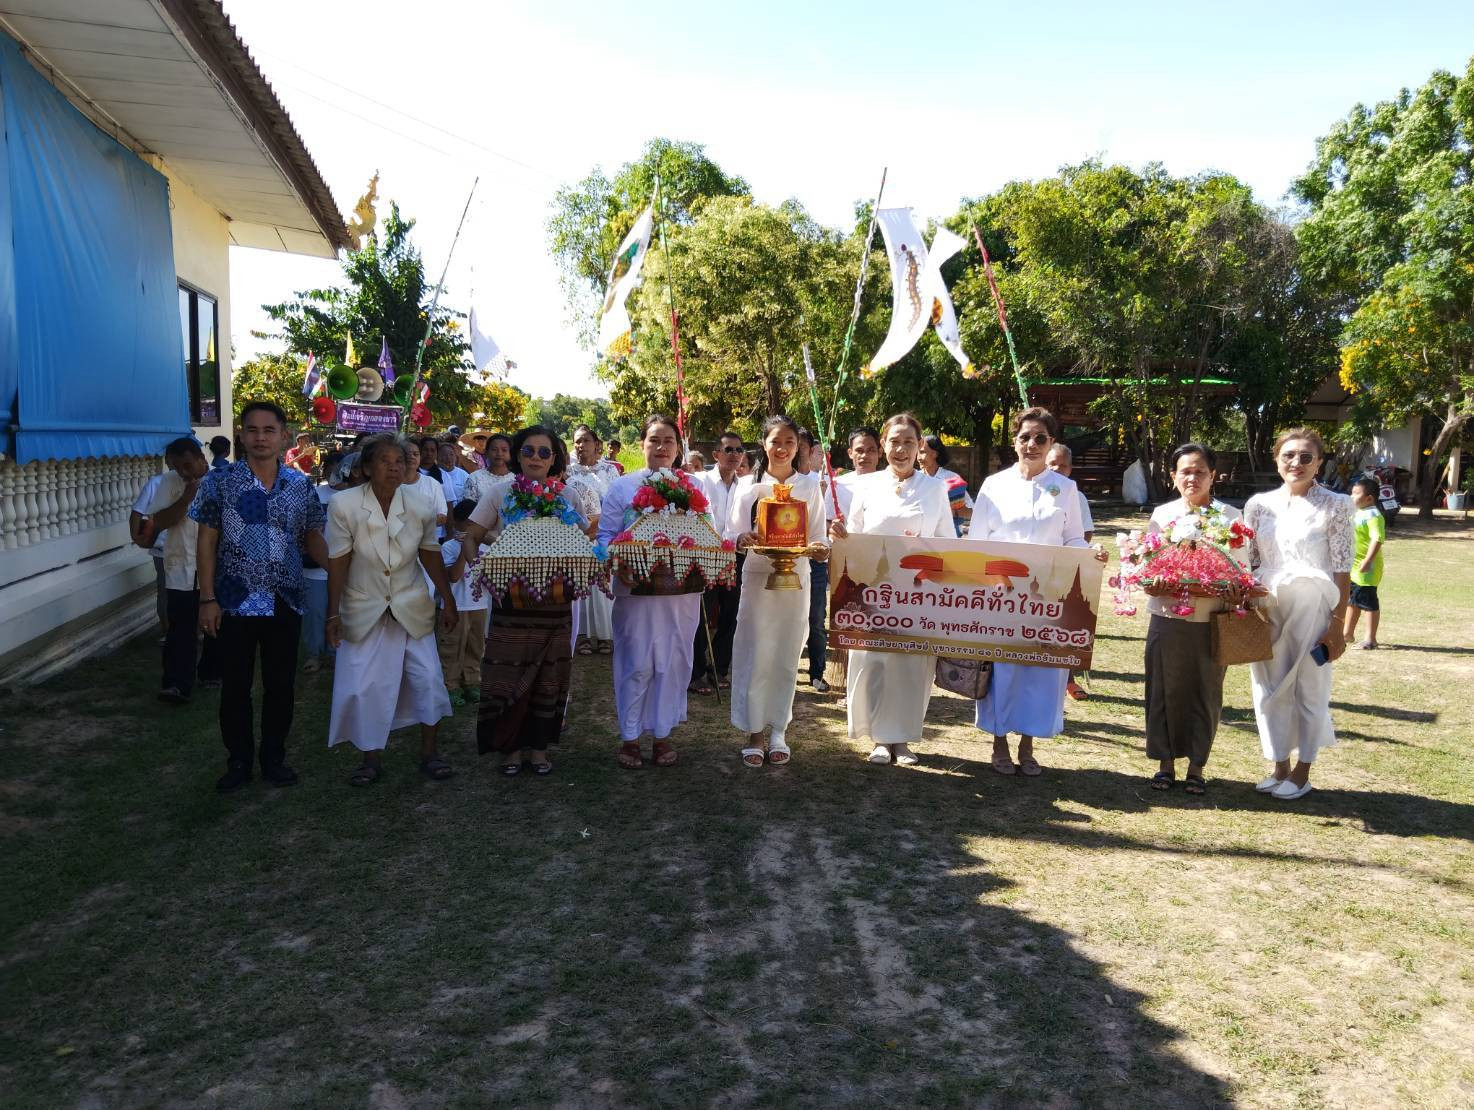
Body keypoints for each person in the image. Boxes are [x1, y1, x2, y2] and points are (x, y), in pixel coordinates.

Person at [193, 401, 328, 792]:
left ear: (283, 436)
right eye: (252, 430)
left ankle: (273, 758)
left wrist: (342, 572)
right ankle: (238, 761)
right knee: (235, 687)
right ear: (241, 435)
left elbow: (313, 536)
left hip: (285, 598)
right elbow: (207, 541)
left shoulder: (300, 485)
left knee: (280, 685)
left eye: (269, 430)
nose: (260, 438)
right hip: (233, 599)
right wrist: (207, 598)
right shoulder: (219, 482)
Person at [969, 407, 1105, 777]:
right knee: (1002, 671)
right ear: (1014, 442)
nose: (1031, 444)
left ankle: (1028, 745)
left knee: (1040, 672)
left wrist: (1090, 553)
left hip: (1048, 596)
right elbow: (978, 541)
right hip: (1001, 596)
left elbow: (1073, 538)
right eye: (1025, 437)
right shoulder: (994, 485)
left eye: (1040, 438)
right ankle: (999, 743)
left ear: (1051, 443)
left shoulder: (1066, 489)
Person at [325, 434, 457, 786]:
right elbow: (338, 562)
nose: (394, 467)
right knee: (365, 686)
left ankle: (430, 754)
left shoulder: (420, 504)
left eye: (400, 461)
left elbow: (430, 553)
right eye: (384, 461)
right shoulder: (344, 505)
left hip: (410, 604)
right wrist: (333, 613)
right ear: (367, 467)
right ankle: (370, 758)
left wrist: (448, 599)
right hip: (363, 605)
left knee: (428, 678)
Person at [829, 413, 954, 766]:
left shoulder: (935, 489)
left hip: (918, 592)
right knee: (875, 662)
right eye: (894, 442)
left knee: (911, 667)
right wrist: (839, 534)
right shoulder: (866, 486)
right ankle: (880, 739)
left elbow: (947, 540)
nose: (901, 449)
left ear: (920, 447)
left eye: (908, 442)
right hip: (872, 591)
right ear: (883, 444)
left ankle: (902, 738)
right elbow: (852, 535)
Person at [464, 426, 584, 775]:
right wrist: (482, 572)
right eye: (528, 451)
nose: (535, 458)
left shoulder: (568, 496)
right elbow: (471, 537)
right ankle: (511, 749)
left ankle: (540, 749)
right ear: (517, 455)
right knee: (507, 673)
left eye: (544, 452)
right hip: (511, 602)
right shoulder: (499, 493)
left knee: (550, 675)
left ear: (554, 458)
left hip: (555, 604)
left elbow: (581, 542)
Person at [1244, 428, 1354, 801]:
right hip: (1268, 606)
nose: (1297, 463)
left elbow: (1342, 568)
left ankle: (1303, 771)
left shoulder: (1336, 504)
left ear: (1319, 463)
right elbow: (1251, 561)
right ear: (1277, 459)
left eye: (1306, 457)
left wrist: (1338, 625)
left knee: (1309, 686)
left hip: (1314, 606)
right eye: (1289, 455)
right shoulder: (1259, 505)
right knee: (1268, 688)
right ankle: (1279, 766)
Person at [598, 415, 703, 768]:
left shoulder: (693, 487)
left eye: (668, 441)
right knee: (636, 663)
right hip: (636, 594)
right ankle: (630, 738)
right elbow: (605, 536)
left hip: (681, 594)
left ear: (678, 447)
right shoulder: (622, 487)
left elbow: (709, 533)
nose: (661, 447)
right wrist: (618, 562)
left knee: (673, 664)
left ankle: (662, 734)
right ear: (642, 444)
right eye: (654, 440)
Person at [726, 415, 829, 766]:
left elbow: (818, 535)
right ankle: (755, 732)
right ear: (764, 444)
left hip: (796, 580)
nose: (782, 448)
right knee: (756, 653)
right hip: (758, 577)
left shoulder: (809, 486)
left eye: (789, 442)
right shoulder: (747, 485)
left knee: (786, 654)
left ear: (798, 446)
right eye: (776, 441)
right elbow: (731, 533)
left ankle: (779, 731)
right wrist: (742, 538)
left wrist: (820, 549)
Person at [1143, 444, 1243, 795]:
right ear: (1173, 477)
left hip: (1212, 618)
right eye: (1185, 471)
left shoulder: (1230, 517)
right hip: (1167, 615)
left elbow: (1241, 567)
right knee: (1163, 689)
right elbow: (1148, 564)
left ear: (1213, 476)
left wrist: (1235, 588)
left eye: (1200, 471)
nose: (1192, 478)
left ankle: (1197, 767)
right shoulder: (1163, 514)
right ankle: (1165, 764)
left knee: (1206, 692)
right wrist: (1153, 581)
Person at [146, 438, 220, 702]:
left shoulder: (221, 480)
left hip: (216, 565)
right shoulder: (169, 483)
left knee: (216, 624)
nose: (183, 472)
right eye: (176, 467)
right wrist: (186, 498)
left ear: (201, 458)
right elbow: (159, 521)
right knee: (180, 627)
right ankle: (177, 682)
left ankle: (212, 672)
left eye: (187, 465)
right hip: (181, 566)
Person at [690, 430, 745, 693]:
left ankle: (720, 668)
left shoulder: (745, 486)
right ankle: (696, 672)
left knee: (731, 615)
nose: (734, 455)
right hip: (706, 556)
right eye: (728, 449)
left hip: (736, 556)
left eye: (739, 450)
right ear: (716, 454)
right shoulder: (700, 481)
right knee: (702, 615)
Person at [1046, 442, 1094, 700]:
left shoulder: (1075, 495)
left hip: (1066, 571)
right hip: (1035, 573)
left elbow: (1084, 533)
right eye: (1052, 464)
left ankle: (1069, 680)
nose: (1056, 469)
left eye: (1062, 465)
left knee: (1065, 626)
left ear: (1070, 469)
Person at [567, 424, 620, 656]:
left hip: (606, 534)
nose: (581, 445)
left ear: (597, 444)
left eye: (586, 440)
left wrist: (602, 527)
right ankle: (584, 636)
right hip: (579, 536)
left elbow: (617, 503)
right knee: (583, 587)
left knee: (604, 586)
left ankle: (606, 635)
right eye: (577, 441)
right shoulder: (567, 473)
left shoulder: (610, 471)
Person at [130, 440, 189, 640]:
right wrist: (138, 538)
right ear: (169, 461)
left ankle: (183, 629)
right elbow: (137, 512)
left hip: (189, 547)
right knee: (167, 590)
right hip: (164, 548)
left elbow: (137, 512)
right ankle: (168, 630)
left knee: (182, 590)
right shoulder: (157, 483)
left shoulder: (195, 483)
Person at [437, 500, 489, 707]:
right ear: (458, 523)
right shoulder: (448, 547)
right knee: (452, 647)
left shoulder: (485, 546)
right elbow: (453, 576)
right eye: (467, 524)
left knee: (475, 646)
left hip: (478, 605)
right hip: (455, 606)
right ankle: (451, 685)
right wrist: (464, 548)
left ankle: (472, 682)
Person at [795, 427, 833, 693]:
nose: (797, 451)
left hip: (814, 562)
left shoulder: (817, 483)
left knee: (816, 619)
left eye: (802, 446)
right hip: (785, 561)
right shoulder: (773, 480)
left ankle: (817, 673)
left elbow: (822, 530)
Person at [300, 451, 342, 675]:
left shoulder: (354, 496)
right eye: (329, 469)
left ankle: (335, 652)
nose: (333, 473)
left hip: (342, 567)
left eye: (338, 469)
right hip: (315, 569)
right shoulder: (315, 494)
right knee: (315, 612)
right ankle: (314, 654)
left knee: (338, 611)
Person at [1343, 476, 1386, 649]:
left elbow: (1377, 539)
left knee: (1368, 601)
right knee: (1353, 599)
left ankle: (1370, 639)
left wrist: (1368, 561)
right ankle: (1347, 633)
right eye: (1351, 493)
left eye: (1356, 494)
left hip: (1367, 567)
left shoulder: (1374, 516)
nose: (1351, 497)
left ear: (1369, 498)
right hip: (1353, 566)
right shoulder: (1357, 512)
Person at [918, 434, 974, 537]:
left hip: (949, 539)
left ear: (935, 453)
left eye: (922, 452)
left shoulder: (952, 478)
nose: (918, 458)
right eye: (917, 453)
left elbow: (971, 512)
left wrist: (953, 512)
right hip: (922, 538)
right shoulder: (915, 479)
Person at [400, 439, 450, 535]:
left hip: (426, 538)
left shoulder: (432, 483)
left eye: (415, 454)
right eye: (407, 454)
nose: (411, 457)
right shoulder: (390, 483)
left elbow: (442, 516)